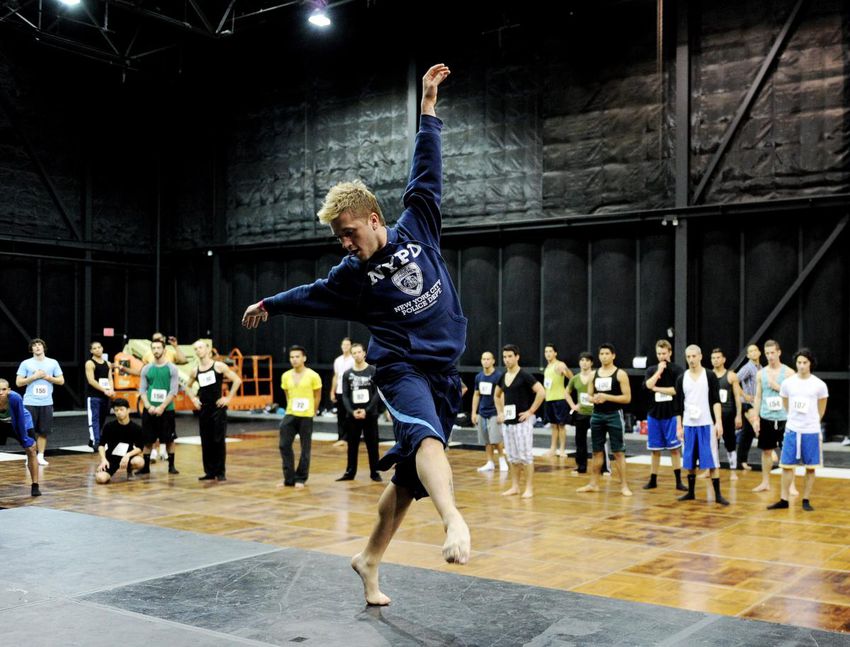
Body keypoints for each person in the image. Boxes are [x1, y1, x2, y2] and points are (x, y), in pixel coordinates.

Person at [242, 64, 471, 606]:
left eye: (348, 232)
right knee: (429, 444)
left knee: (408, 484)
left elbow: (427, 169)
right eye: (337, 237)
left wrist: (429, 108)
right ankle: (455, 521)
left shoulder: (419, 224)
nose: (344, 243)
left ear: (372, 218)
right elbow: (308, 294)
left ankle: (368, 559)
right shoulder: (350, 277)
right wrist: (269, 305)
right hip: (399, 367)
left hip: (444, 372)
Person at [767, 348, 828, 512]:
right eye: (799, 362)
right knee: (786, 465)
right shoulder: (788, 383)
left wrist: (813, 421)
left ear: (810, 364)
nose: (801, 366)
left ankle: (806, 499)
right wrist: (793, 418)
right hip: (792, 429)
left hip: (811, 430)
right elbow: (785, 402)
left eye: (805, 363)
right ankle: (784, 499)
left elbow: (821, 409)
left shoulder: (819, 385)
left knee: (811, 466)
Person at [675, 345, 729, 505]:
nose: (691, 360)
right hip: (689, 425)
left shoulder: (710, 376)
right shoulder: (681, 378)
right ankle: (691, 492)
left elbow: (716, 401)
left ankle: (718, 494)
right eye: (688, 357)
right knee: (689, 460)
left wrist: (718, 422)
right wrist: (679, 426)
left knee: (712, 460)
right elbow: (678, 406)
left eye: (694, 356)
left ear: (700, 356)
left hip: (706, 424)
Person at [577, 343, 633, 496]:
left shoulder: (620, 374)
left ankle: (624, 486)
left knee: (618, 452)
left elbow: (627, 398)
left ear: (613, 355)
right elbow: (589, 394)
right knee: (596, 451)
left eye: (607, 353)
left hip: (614, 415)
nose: (604, 356)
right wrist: (593, 398)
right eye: (601, 354)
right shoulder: (594, 374)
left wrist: (606, 397)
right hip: (597, 415)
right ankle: (593, 483)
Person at [495, 345, 545, 498]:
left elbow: (541, 391)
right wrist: (500, 412)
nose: (507, 359)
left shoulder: (524, 375)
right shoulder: (503, 376)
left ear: (517, 357)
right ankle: (515, 486)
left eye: (510, 356)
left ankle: (529, 487)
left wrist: (530, 411)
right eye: (505, 357)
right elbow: (497, 395)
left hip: (522, 423)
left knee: (525, 456)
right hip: (508, 423)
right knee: (512, 456)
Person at [188, 339, 242, 482]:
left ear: (207, 349)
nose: (198, 350)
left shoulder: (218, 366)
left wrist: (228, 398)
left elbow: (237, 380)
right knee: (206, 441)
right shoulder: (195, 370)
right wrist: (193, 399)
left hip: (218, 409)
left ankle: (220, 472)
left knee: (218, 440)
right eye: (195, 349)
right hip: (204, 409)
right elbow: (187, 386)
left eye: (200, 347)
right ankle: (209, 472)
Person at [752, 340, 795, 493]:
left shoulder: (789, 373)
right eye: (767, 353)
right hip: (766, 417)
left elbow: (794, 395)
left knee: (787, 451)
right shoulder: (760, 374)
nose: (770, 356)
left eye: (772, 353)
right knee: (766, 451)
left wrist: (779, 387)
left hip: (784, 417)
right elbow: (758, 396)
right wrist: (755, 418)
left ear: (779, 352)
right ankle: (765, 482)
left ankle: (791, 485)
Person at [643, 339, 687, 491]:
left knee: (674, 449)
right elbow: (648, 385)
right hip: (654, 414)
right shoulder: (651, 370)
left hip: (671, 414)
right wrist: (658, 372)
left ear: (670, 353)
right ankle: (653, 479)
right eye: (659, 353)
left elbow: (676, 390)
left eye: (664, 353)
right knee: (655, 450)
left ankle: (678, 481)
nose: (661, 356)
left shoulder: (677, 370)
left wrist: (657, 389)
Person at [278, 345, 322, 488]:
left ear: (304, 358)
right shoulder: (286, 376)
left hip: (306, 416)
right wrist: (289, 408)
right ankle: (288, 478)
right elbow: (287, 395)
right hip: (290, 414)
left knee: (305, 448)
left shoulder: (313, 375)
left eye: (297, 357)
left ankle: (301, 478)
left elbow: (317, 396)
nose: (294, 360)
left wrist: (312, 411)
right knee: (284, 445)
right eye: (292, 357)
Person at [337, 342, 382, 482]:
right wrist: (352, 411)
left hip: (370, 414)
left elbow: (377, 393)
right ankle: (350, 472)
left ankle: (375, 472)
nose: (357, 355)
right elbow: (345, 395)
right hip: (353, 415)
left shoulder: (373, 371)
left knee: (372, 444)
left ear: (364, 354)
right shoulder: (347, 374)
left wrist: (367, 410)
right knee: (352, 445)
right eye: (354, 353)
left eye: (359, 352)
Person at [16, 338, 64, 466]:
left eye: (39, 345)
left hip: (46, 402)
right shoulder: (26, 363)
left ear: (44, 348)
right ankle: (30, 456)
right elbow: (18, 382)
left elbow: (61, 380)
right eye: (34, 346)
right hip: (30, 402)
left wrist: (47, 377)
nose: (37, 347)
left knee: (44, 431)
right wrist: (33, 377)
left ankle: (41, 456)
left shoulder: (52, 363)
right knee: (29, 431)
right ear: (31, 349)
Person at [136, 339, 180, 475]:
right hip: (149, 410)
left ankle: (171, 466)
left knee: (169, 439)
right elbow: (142, 390)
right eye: (153, 348)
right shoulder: (146, 369)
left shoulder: (172, 368)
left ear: (164, 350)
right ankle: (145, 467)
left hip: (167, 410)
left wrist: (162, 407)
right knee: (148, 440)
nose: (156, 350)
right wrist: (148, 406)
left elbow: (173, 391)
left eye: (158, 348)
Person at [0, 378, 41, 496]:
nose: (0, 392)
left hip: (20, 423)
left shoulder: (15, 398)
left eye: (3, 389)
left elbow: (20, 419)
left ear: (9, 390)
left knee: (31, 449)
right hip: (2, 423)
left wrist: (25, 439)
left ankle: (35, 485)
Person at [471, 350, 507, 472]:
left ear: (493, 361)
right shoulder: (479, 377)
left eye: (488, 359)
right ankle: (490, 462)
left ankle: (502, 460)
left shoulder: (498, 376)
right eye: (483, 359)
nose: (486, 361)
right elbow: (476, 395)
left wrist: (501, 412)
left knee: (496, 438)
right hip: (482, 411)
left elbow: (501, 395)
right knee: (486, 439)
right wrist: (473, 412)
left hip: (494, 412)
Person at [710, 348, 743, 480]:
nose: (715, 360)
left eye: (718, 357)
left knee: (730, 443)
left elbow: (737, 397)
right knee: (713, 443)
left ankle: (733, 470)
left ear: (723, 359)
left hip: (728, 415)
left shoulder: (731, 376)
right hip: (713, 415)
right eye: (713, 358)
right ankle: (711, 470)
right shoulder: (708, 375)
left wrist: (739, 415)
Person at [95, 398, 144, 484]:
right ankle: (105, 472)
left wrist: (128, 455)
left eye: (121, 409)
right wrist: (103, 459)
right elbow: (101, 445)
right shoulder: (109, 427)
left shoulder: (136, 428)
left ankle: (130, 470)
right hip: (112, 458)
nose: (119, 412)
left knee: (139, 462)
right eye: (116, 410)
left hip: (127, 457)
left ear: (128, 410)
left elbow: (140, 447)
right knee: (101, 479)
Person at [566, 352, 598, 476]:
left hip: (595, 413)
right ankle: (581, 466)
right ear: (579, 362)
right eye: (582, 360)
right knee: (580, 441)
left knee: (598, 441)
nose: (584, 363)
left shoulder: (596, 376)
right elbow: (566, 393)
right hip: (581, 413)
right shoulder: (575, 378)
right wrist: (573, 406)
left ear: (591, 363)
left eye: (587, 360)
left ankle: (604, 468)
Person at [542, 343, 574, 458]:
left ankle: (562, 450)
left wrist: (567, 390)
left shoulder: (560, 364)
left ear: (555, 353)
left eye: (550, 351)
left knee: (561, 425)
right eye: (546, 351)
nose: (548, 354)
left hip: (560, 399)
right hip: (549, 399)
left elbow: (571, 378)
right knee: (553, 426)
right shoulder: (547, 367)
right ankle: (553, 449)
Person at [735, 344, 761, 470]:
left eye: (755, 350)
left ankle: (741, 461)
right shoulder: (748, 368)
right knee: (757, 427)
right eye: (751, 351)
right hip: (747, 404)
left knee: (747, 433)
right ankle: (770, 453)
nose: (754, 353)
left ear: (759, 352)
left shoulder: (760, 368)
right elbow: (734, 380)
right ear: (748, 355)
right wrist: (744, 395)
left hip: (756, 404)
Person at [85, 341, 114, 450]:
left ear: (102, 348)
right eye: (95, 348)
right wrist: (104, 390)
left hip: (105, 396)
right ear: (91, 351)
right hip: (94, 396)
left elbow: (110, 378)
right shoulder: (90, 363)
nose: (97, 349)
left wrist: (111, 390)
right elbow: (91, 380)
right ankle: (96, 441)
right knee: (94, 419)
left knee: (102, 419)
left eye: (99, 347)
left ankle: (92, 439)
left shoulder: (108, 363)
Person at [330, 338, 355, 447]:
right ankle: (341, 436)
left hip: (350, 392)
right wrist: (332, 391)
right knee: (340, 415)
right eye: (343, 344)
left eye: (347, 345)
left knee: (349, 415)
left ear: (351, 346)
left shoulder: (353, 359)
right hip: (340, 390)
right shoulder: (338, 360)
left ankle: (347, 438)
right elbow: (336, 376)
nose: (345, 347)